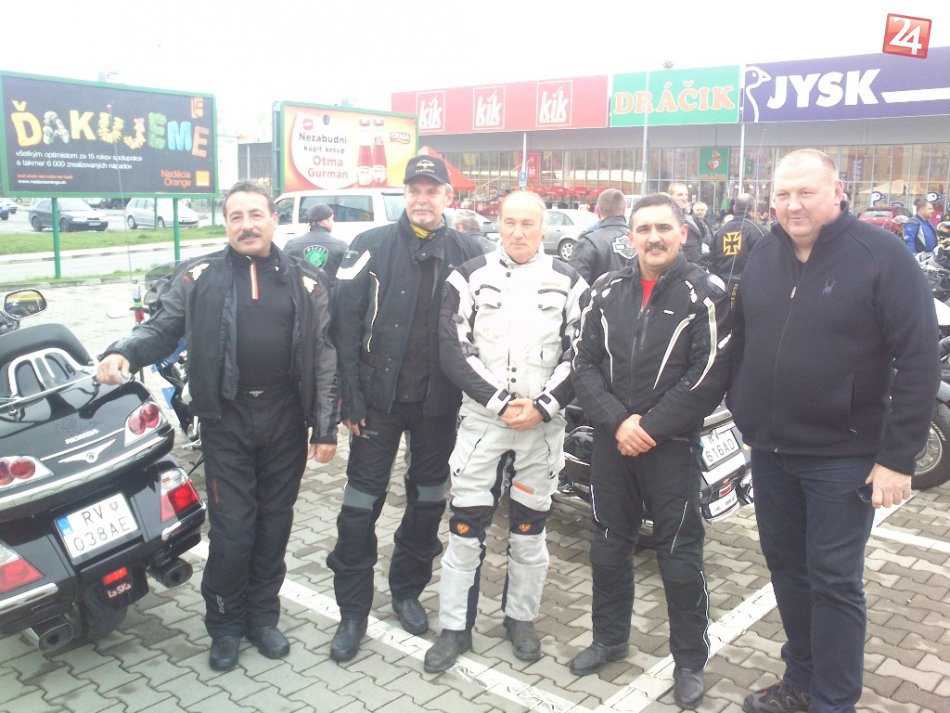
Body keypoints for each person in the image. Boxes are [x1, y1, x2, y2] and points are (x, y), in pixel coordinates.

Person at [96, 181, 339, 672]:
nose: (247, 225)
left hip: (285, 420)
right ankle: (225, 624)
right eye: (236, 217)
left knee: (274, 524)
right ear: (226, 223)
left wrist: (326, 426)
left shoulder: (306, 279)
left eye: (255, 215)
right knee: (233, 530)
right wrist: (123, 350)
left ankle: (263, 618)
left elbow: (325, 353)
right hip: (226, 419)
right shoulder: (198, 276)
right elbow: (161, 328)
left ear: (274, 219)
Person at [728, 149, 939, 713]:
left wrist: (897, 458)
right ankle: (802, 680)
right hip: (771, 451)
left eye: (806, 192)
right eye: (782, 194)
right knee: (787, 569)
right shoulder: (763, 253)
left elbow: (919, 360)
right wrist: (745, 413)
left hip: (844, 456)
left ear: (837, 192)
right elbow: (742, 339)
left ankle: (834, 701)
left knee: (834, 580)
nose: (792, 205)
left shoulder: (882, 255)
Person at [570, 193, 731, 709]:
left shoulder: (706, 293)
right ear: (630, 236)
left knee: (679, 557)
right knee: (608, 546)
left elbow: (708, 375)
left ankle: (689, 661)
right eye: (644, 229)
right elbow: (583, 364)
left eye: (664, 228)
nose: (654, 237)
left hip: (671, 446)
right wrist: (619, 422)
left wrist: (649, 427)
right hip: (613, 442)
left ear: (683, 233)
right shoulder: (605, 289)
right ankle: (609, 638)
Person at [327, 155, 484, 663]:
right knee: (359, 507)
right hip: (377, 402)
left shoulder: (469, 251)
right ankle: (353, 610)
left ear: (447, 198)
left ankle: (407, 591)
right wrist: (349, 396)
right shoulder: (368, 244)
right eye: (414, 190)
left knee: (428, 501)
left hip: (438, 403)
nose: (422, 199)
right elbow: (343, 325)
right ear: (405, 195)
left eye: (432, 191)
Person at [423, 191, 587, 673]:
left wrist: (544, 406)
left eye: (528, 223)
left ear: (543, 228)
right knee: (465, 526)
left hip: (542, 426)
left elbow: (582, 352)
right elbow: (453, 348)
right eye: (510, 222)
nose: (518, 232)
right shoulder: (468, 276)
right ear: (498, 224)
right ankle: (455, 628)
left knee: (530, 529)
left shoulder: (570, 280)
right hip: (483, 422)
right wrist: (498, 401)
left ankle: (521, 620)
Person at [707, 193, 765, 304]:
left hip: (722, 290)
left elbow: (712, 261)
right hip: (749, 292)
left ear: (734, 208)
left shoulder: (720, 232)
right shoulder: (759, 232)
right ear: (754, 209)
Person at [568, 188, 635, 284]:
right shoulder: (639, 239)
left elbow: (575, 285)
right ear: (624, 210)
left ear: (598, 211)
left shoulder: (588, 242)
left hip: (599, 293)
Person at [283, 203, 348, 285]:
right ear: (324, 222)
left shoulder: (292, 245)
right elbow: (348, 276)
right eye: (332, 219)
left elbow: (283, 271)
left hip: (301, 291)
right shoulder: (341, 245)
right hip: (331, 292)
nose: (333, 222)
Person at [667, 182, 707, 264]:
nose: (684, 198)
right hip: (683, 264)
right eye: (680, 195)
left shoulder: (689, 216)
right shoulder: (669, 217)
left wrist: (689, 212)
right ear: (671, 197)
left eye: (686, 194)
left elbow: (701, 232)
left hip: (696, 262)